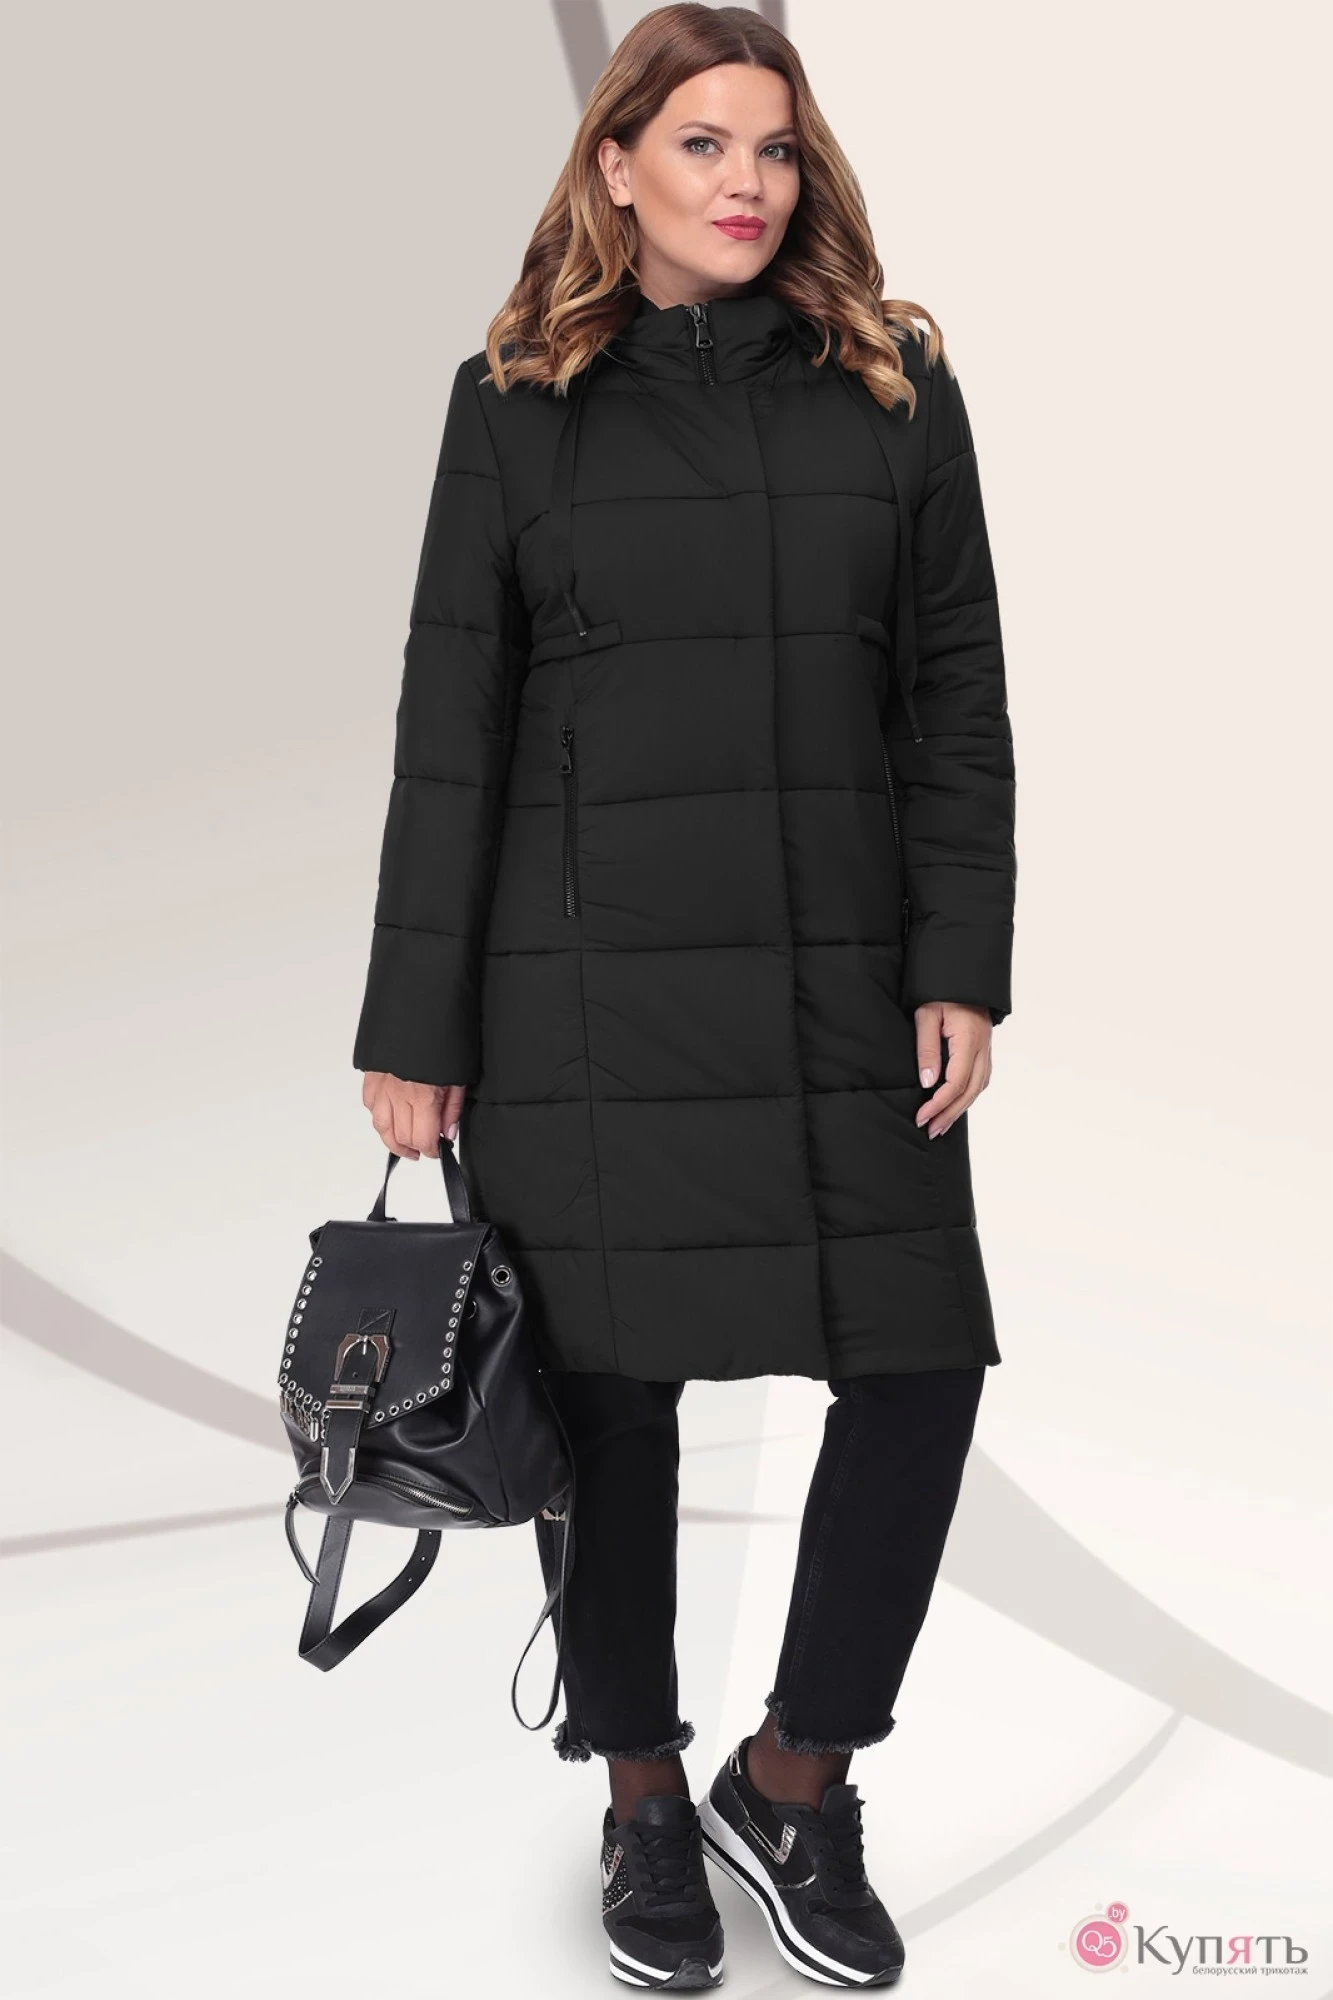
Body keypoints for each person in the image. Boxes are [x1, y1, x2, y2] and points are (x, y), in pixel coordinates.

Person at [352, 5, 1015, 1989]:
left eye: (776, 148)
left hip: (844, 986)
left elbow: (958, 700)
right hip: (585, 993)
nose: (747, 182)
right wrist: (415, 1026)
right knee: (604, 1404)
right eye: (705, 143)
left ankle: (794, 1780)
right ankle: (642, 1795)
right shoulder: (513, 403)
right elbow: (450, 731)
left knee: (922, 1368)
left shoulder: (893, 386)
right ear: (616, 163)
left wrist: (960, 962)